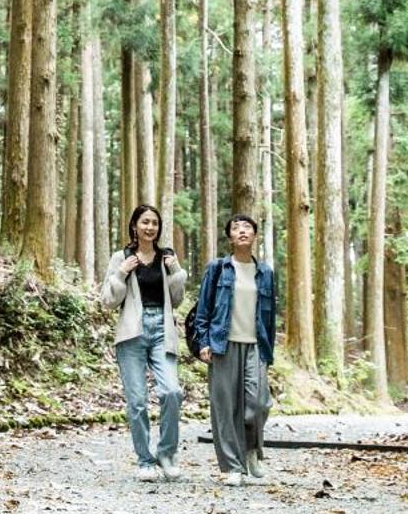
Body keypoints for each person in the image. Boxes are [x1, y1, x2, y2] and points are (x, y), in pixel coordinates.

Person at [99, 203, 186, 481]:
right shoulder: (121, 257)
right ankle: (144, 461)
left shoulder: (166, 258)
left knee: (172, 392)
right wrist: (121, 272)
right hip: (131, 333)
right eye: (145, 222)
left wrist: (175, 273)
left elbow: (177, 299)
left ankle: (166, 452)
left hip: (162, 329)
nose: (150, 227)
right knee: (137, 401)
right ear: (135, 225)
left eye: (155, 223)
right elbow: (108, 302)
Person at [189, 213, 277, 486]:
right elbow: (203, 308)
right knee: (225, 408)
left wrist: (268, 350)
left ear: (254, 236)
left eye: (247, 227)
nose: (242, 231)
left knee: (258, 403)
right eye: (236, 227)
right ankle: (232, 467)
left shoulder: (265, 273)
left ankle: (251, 450)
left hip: (255, 345)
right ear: (229, 237)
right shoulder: (217, 268)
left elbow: (270, 315)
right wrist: (203, 341)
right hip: (222, 344)